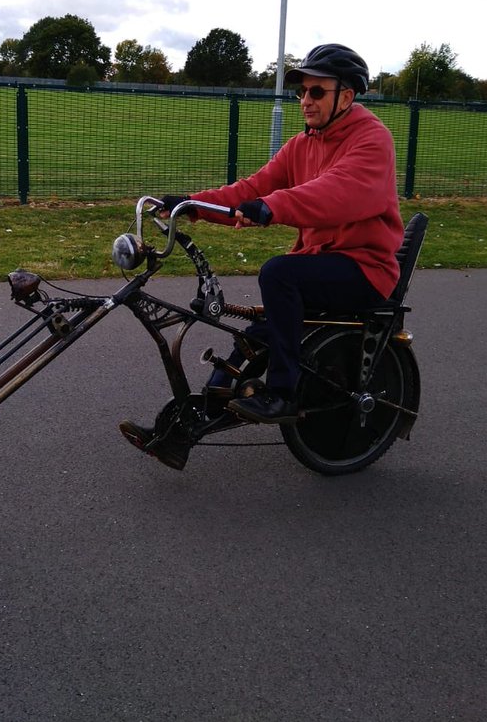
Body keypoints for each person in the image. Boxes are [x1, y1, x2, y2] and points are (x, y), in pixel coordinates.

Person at [119, 42, 405, 469]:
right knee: (253, 338)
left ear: (346, 95)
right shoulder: (302, 145)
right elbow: (251, 189)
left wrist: (275, 207)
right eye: (301, 92)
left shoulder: (371, 140)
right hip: (322, 263)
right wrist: (191, 204)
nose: (305, 101)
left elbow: (339, 192)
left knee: (279, 274)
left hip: (364, 268)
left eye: (316, 92)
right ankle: (181, 432)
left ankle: (283, 394)